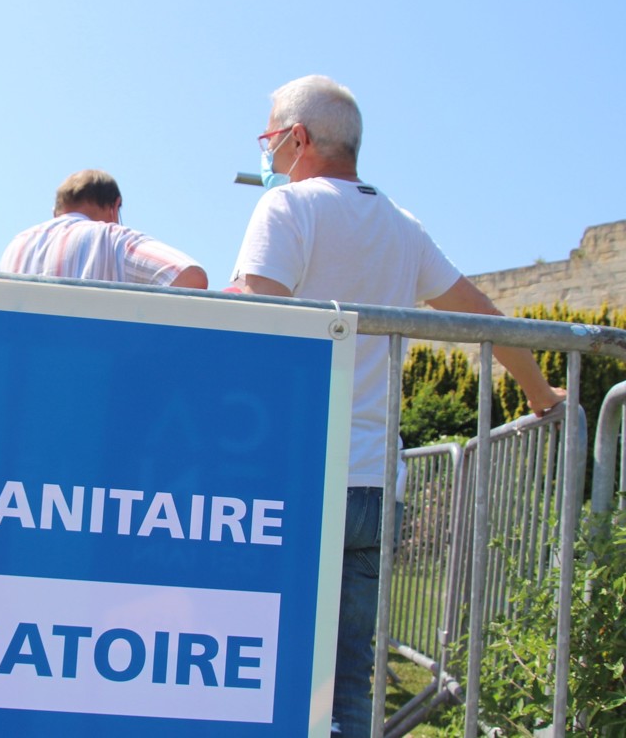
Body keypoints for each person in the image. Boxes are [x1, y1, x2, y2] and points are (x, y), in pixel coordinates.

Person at [229, 75, 566, 738]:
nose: (267, 152)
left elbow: (253, 328)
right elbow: (485, 317)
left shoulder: (285, 210)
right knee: (352, 674)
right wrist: (539, 391)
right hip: (378, 486)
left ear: (298, 138)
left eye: (269, 137)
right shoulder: (401, 226)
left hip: (297, 480)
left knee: (273, 660)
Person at [0, 169, 208, 288]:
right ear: (114, 207)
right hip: (92, 358)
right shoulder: (111, 238)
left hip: (19, 361)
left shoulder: (16, 244)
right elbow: (191, 276)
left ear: (56, 211)